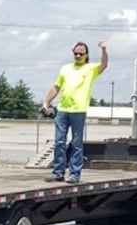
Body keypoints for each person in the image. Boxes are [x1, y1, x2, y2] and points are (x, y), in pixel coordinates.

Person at [41, 40, 108, 184]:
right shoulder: (65, 69)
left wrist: (103, 50)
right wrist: (46, 102)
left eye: (81, 53)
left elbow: (103, 65)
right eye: (75, 53)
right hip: (62, 110)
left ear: (86, 55)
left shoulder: (90, 69)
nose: (78, 55)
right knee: (59, 142)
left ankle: (74, 174)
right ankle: (58, 173)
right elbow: (56, 87)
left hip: (79, 111)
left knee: (76, 143)